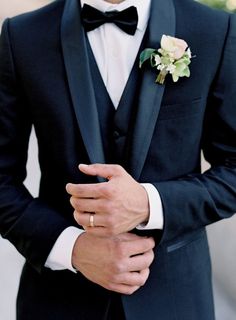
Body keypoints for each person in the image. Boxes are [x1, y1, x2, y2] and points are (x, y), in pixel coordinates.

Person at [0, 0, 235, 319]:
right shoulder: (22, 36)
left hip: (175, 301)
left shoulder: (214, 31)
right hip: (57, 301)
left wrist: (150, 204)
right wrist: (71, 247)